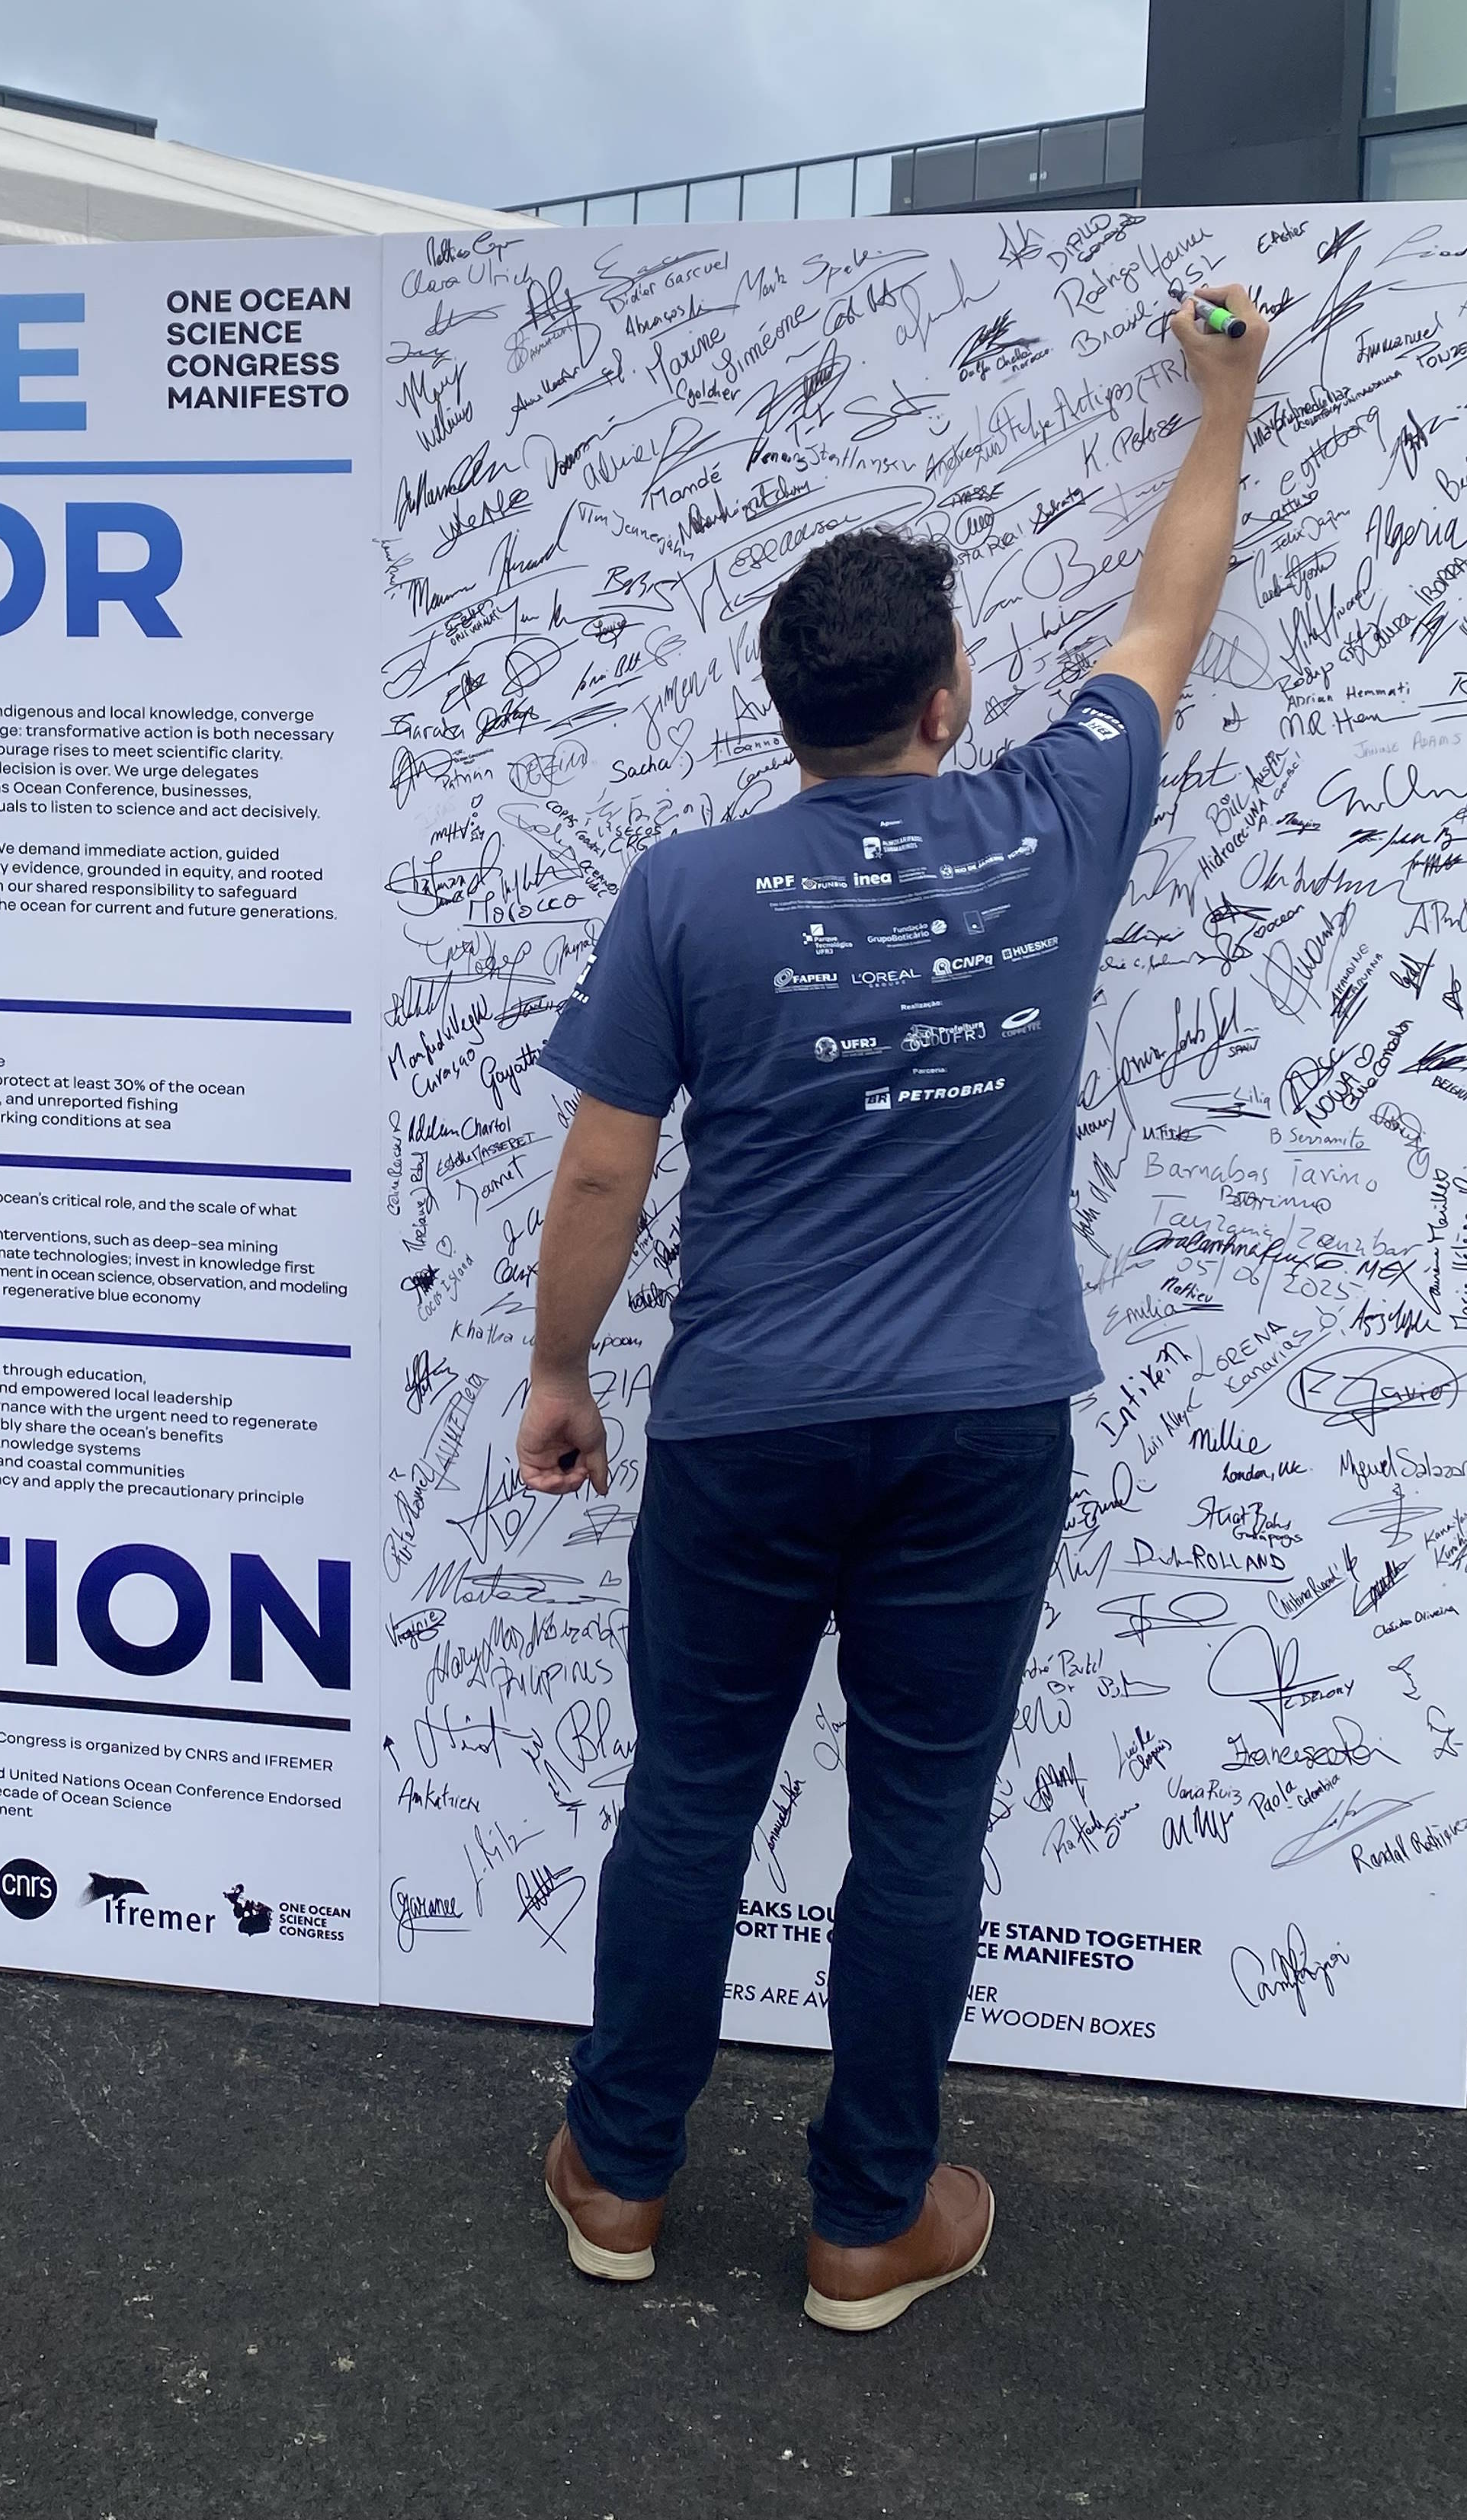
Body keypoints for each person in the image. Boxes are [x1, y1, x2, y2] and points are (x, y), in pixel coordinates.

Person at [518, 285, 1268, 2330]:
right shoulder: (1052, 821)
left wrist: (561, 1368)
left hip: (749, 1428)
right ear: (948, 697)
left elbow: (601, 1175)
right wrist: (1223, 407)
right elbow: (1167, 619)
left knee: (691, 1801)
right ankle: (866, 2223)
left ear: (791, 716)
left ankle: (619, 2178)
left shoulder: (687, 888)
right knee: (922, 1821)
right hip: (981, 1430)